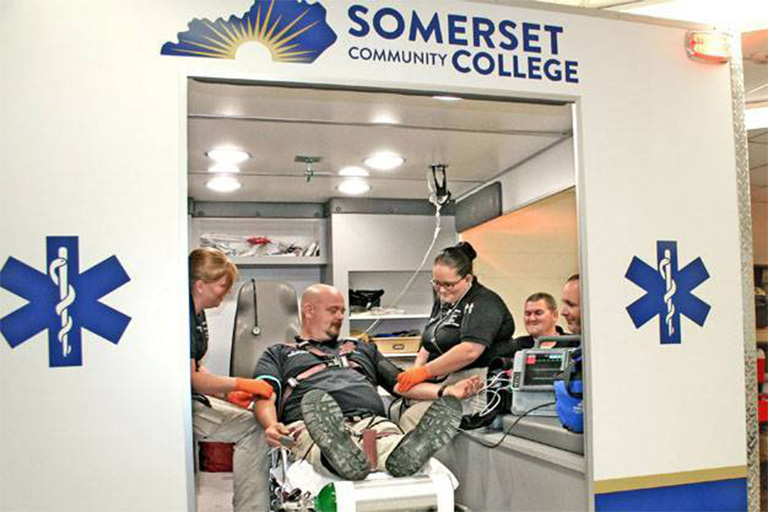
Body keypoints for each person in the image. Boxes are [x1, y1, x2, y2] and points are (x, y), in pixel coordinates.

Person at [251, 284, 482, 481]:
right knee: (320, 443)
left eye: (343, 311)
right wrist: (271, 425)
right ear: (309, 310)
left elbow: (402, 385)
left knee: (390, 444)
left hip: (371, 421)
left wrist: (446, 391)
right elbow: (264, 395)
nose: (341, 316)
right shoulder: (278, 353)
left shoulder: (362, 348)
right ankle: (336, 456)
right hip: (312, 423)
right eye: (333, 310)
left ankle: (404, 452)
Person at [189, 247, 273, 512]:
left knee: (249, 416)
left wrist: (226, 395)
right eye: (222, 286)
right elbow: (191, 379)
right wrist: (241, 383)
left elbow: (196, 369)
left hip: (187, 397)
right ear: (200, 285)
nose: (224, 293)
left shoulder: (196, 313)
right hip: (175, 406)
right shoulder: (182, 317)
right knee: (254, 426)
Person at [395, 242, 515, 426]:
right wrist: (416, 372)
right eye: (437, 283)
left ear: (468, 279)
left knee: (412, 418)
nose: (442, 290)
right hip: (444, 377)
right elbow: (430, 340)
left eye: (449, 285)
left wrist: (425, 372)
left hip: (474, 382)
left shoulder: (484, 302)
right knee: (397, 409)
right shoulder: (445, 300)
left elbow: (469, 351)